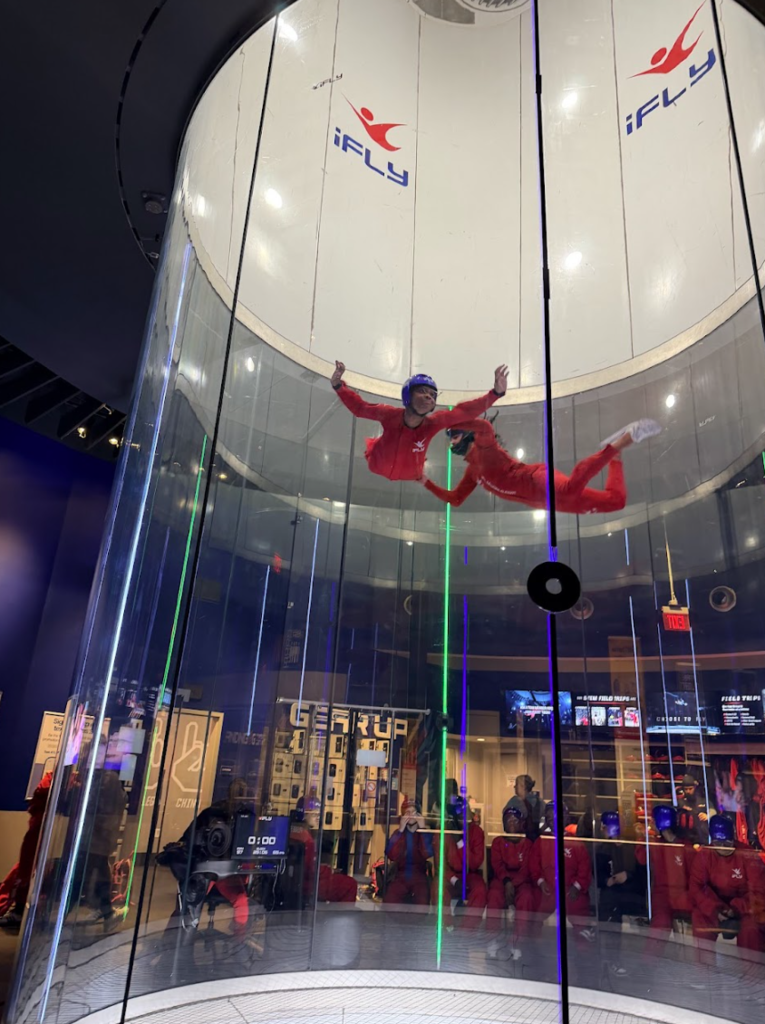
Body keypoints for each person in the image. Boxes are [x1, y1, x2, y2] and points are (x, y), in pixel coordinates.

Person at [423, 417, 661, 512]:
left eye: (453, 436)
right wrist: (423, 480)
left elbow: (485, 427)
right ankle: (615, 457)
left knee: (568, 487)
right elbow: (455, 499)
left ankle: (622, 442)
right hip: (547, 503)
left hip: (537, 478)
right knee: (616, 502)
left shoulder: (486, 449)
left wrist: (452, 417)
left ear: (467, 434)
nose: (451, 444)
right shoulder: (472, 472)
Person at [330, 361, 508, 481]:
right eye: (422, 391)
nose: (428, 397)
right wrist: (339, 385)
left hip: (411, 473)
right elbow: (360, 408)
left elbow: (464, 411)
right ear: (408, 395)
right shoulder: (389, 415)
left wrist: (495, 393)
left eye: (432, 395)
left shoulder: (434, 423)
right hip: (377, 464)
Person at [690, 814, 765, 953]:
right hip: (716, 904)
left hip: (745, 906)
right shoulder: (704, 855)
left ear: (733, 838)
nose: (723, 848)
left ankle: (752, 972)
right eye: (718, 844)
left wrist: (737, 908)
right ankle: (704, 969)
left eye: (727, 843)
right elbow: (697, 887)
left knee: (751, 929)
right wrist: (716, 909)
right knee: (700, 920)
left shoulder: (747, 855)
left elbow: (759, 890)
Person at [530, 802, 593, 941]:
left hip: (570, 889)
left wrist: (577, 886)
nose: (553, 820)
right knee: (535, 914)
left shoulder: (575, 842)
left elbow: (584, 867)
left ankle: (584, 947)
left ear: (566, 818)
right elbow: (534, 866)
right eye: (549, 817)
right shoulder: (542, 840)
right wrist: (540, 882)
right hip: (548, 888)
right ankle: (532, 945)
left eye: (556, 816)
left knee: (579, 912)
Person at [0, 771, 53, 932]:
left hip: (43, 829)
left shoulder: (58, 778)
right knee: (25, 869)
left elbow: (41, 791)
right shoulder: (57, 777)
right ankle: (20, 909)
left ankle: (20, 910)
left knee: (28, 869)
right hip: (40, 829)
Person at [636, 804, 694, 946]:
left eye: (653, 820)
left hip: (683, 893)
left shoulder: (684, 847)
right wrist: (642, 839)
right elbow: (642, 859)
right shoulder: (655, 844)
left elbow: (694, 876)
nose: (651, 823)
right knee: (661, 924)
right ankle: (649, 964)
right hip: (662, 895)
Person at [486, 805, 535, 959]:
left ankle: (516, 942)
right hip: (502, 879)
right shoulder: (498, 842)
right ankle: (492, 939)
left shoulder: (527, 844)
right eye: (508, 820)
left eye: (515, 820)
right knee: (494, 895)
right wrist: (507, 881)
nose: (512, 823)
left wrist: (513, 884)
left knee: (526, 897)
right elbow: (497, 864)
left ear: (521, 823)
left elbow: (527, 868)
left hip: (521, 881)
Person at [434, 795, 486, 929]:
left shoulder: (476, 832)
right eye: (459, 812)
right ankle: (447, 928)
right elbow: (441, 865)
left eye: (466, 811)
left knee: (480, 889)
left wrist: (460, 843)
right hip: (450, 875)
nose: (464, 816)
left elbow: (474, 863)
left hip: (470, 875)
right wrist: (454, 880)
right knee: (437, 887)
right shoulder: (444, 832)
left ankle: (466, 931)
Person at [384, 800, 434, 906]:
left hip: (419, 876)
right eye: (407, 813)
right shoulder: (398, 834)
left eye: (414, 812)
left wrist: (423, 829)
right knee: (389, 902)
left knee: (422, 904)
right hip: (401, 875)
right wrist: (400, 830)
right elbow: (391, 855)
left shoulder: (424, 833)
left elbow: (427, 853)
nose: (411, 816)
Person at [677, 774, 709, 845]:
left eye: (690, 789)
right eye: (686, 789)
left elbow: (713, 811)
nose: (688, 791)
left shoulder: (703, 801)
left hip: (702, 838)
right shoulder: (680, 803)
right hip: (685, 839)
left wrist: (708, 816)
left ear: (695, 788)